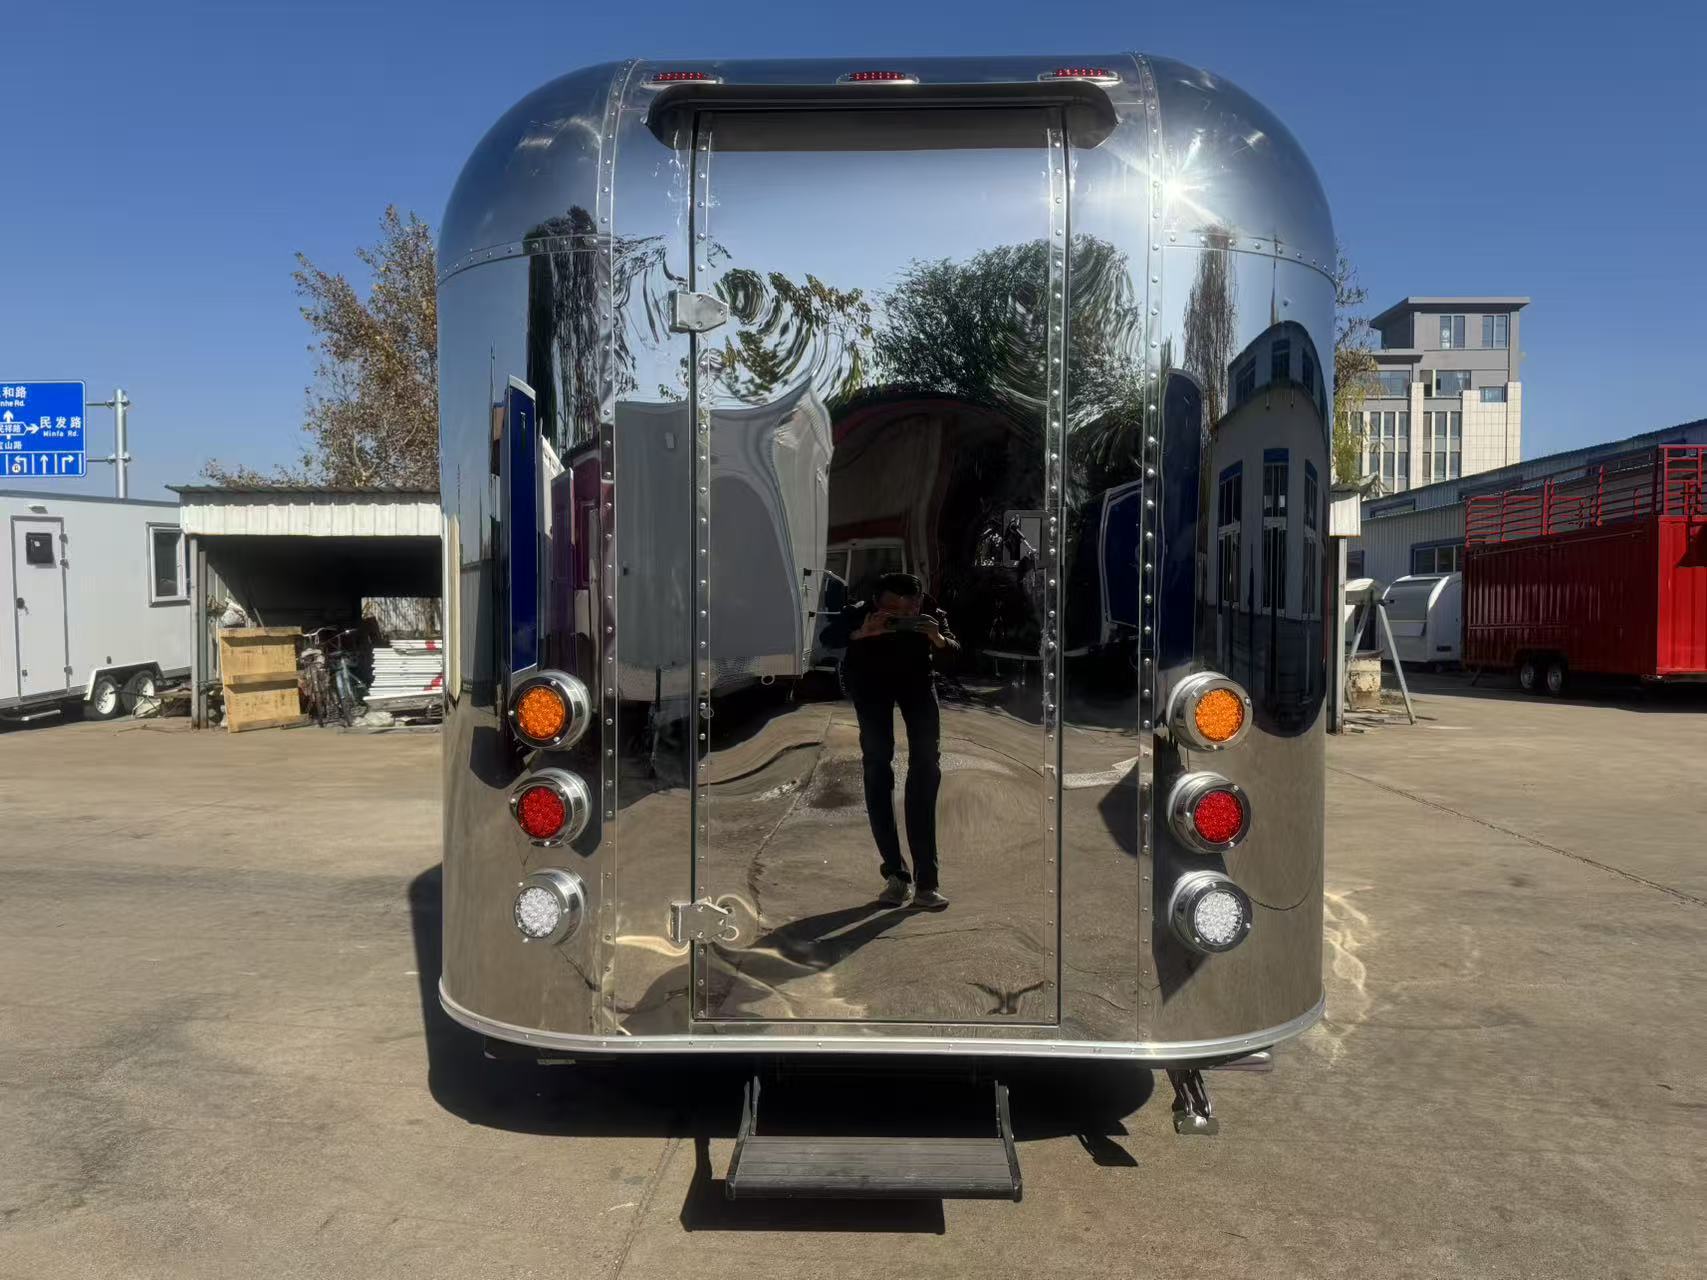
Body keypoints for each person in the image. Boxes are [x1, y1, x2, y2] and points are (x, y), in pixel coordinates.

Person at [831, 571, 959, 910]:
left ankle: (927, 883)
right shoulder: (860, 612)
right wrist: (862, 633)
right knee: (877, 766)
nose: (903, 616)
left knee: (926, 767)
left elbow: (954, 653)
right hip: (870, 686)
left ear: (919, 602)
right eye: (893, 611)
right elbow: (828, 637)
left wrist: (936, 637)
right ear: (876, 602)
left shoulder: (930, 613)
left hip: (917, 685)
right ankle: (896, 876)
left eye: (909, 610)